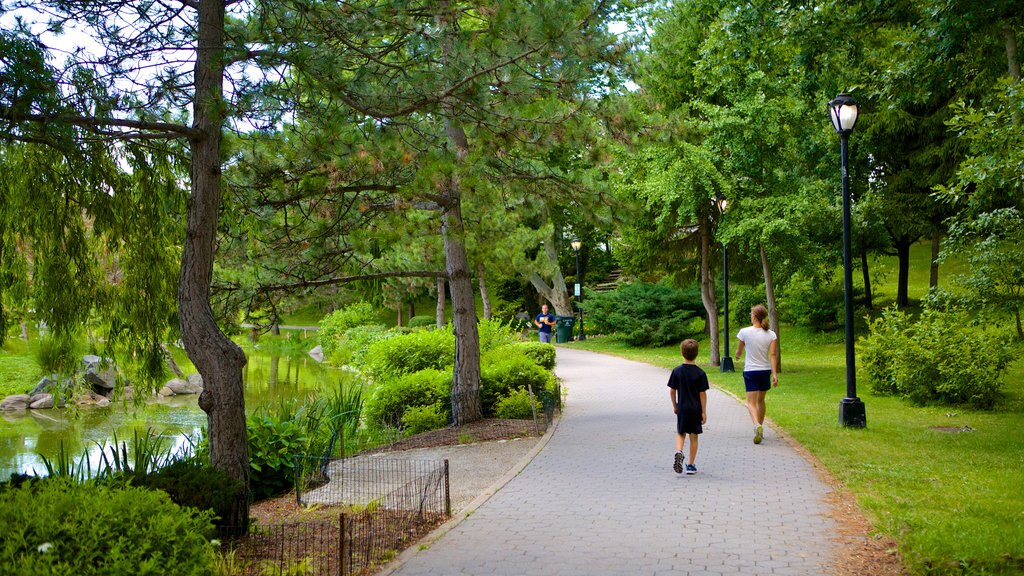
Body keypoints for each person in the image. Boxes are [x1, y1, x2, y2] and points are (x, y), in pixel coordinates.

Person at [735, 304, 778, 445]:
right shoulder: (771, 334)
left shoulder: (744, 332)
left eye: (751, 313)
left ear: (754, 316)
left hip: (751, 371)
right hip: (765, 371)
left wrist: (737, 355)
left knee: (751, 402)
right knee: (761, 401)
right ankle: (760, 425)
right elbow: (772, 355)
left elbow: (739, 352)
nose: (750, 315)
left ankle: (756, 425)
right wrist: (774, 374)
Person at [667, 338, 709, 475]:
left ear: (682, 352)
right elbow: (702, 394)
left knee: (681, 432)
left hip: (683, 409)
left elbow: (672, 391)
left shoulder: (677, 371)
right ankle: (690, 465)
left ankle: (679, 451)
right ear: (696, 353)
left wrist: (675, 405)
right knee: (694, 437)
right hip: (695, 409)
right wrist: (704, 412)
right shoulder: (700, 373)